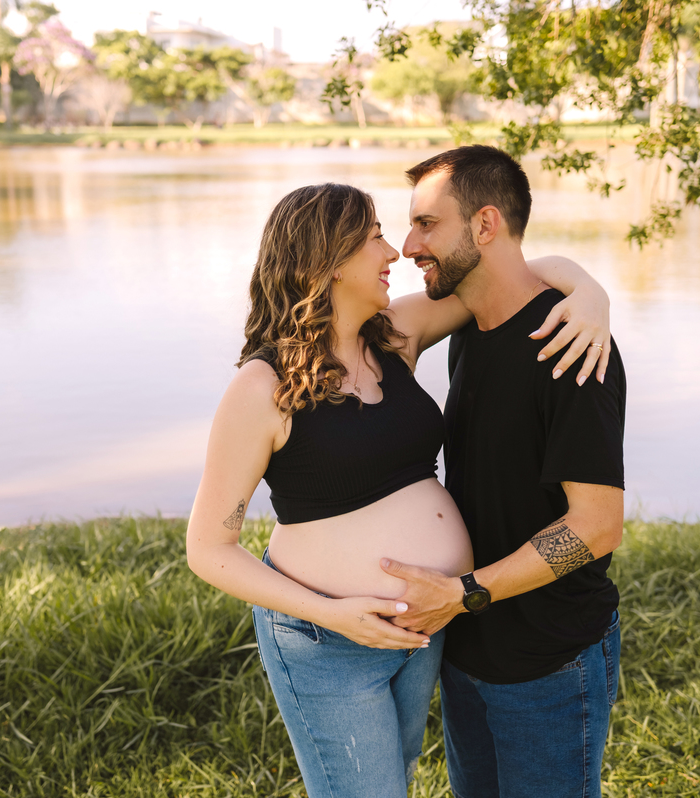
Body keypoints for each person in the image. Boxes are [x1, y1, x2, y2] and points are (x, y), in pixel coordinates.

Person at [186, 181, 613, 798]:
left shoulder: (395, 335)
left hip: (423, 633)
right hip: (328, 643)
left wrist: (590, 293)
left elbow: (509, 274)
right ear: (325, 262)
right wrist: (333, 614)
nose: (395, 253)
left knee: (397, 781)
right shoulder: (263, 387)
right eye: (374, 238)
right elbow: (209, 548)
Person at [379, 145, 627, 798]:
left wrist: (463, 592)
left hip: (547, 660)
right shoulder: (468, 322)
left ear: (485, 225)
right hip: (468, 650)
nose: (408, 245)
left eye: (426, 224)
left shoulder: (569, 344)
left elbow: (596, 527)